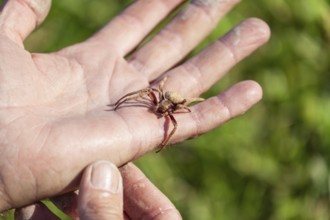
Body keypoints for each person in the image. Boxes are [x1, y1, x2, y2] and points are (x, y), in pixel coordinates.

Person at [0, 0, 270, 218]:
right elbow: (147, 92)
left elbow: (175, 117)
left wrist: (165, 135)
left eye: (165, 107)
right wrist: (122, 101)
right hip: (163, 93)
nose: (159, 110)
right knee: (146, 94)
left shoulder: (172, 110)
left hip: (176, 97)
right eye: (162, 105)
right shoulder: (155, 98)